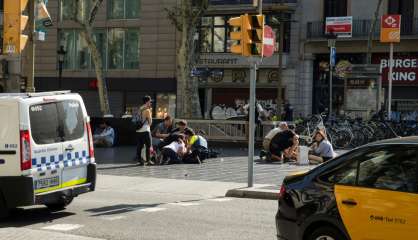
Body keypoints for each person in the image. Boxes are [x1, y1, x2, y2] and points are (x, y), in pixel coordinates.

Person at [134, 96, 153, 165]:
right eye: (150, 102)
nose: (150, 103)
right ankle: (148, 161)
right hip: (145, 129)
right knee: (148, 145)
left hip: (138, 130)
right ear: (147, 102)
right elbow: (150, 122)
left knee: (139, 146)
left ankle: (139, 161)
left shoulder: (139, 109)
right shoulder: (147, 110)